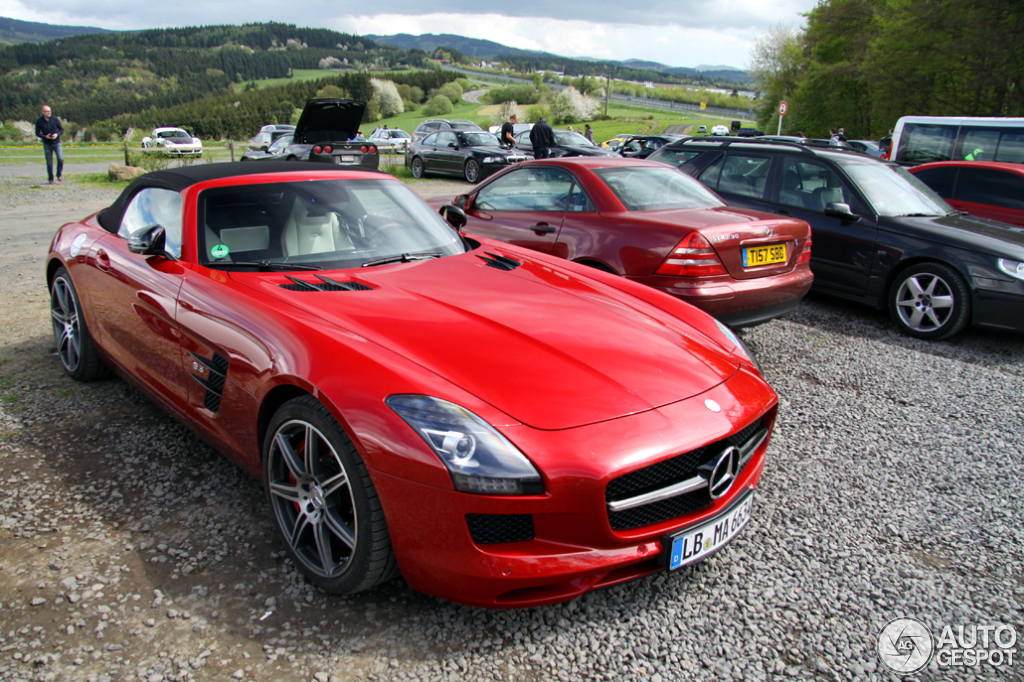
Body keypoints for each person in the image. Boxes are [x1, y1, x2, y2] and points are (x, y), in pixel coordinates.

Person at [35, 105, 64, 184]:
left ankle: (59, 174)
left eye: (50, 111)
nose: (49, 113)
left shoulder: (55, 119)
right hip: (47, 143)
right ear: (42, 112)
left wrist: (57, 134)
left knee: (60, 159)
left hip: (56, 142)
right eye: (47, 111)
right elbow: (37, 133)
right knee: (49, 162)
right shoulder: (39, 121)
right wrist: (45, 136)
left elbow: (61, 129)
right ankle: (50, 178)